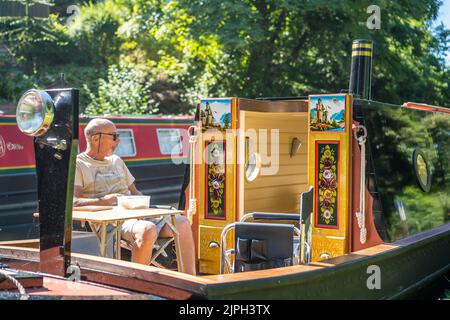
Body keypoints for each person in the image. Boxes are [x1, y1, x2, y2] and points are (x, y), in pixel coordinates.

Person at [73, 118, 196, 275]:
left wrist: (142, 202)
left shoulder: (116, 161)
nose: (118, 141)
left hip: (135, 214)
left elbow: (135, 193)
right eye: (114, 136)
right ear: (95, 138)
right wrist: (106, 200)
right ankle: (136, 283)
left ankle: (191, 281)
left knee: (182, 222)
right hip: (109, 222)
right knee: (147, 230)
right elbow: (74, 202)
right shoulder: (79, 164)